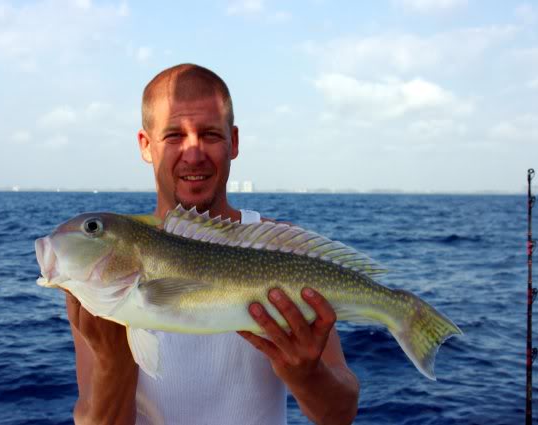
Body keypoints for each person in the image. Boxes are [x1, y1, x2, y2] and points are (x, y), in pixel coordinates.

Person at [65, 64, 359, 425]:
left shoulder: (282, 251)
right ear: (145, 145)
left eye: (210, 134)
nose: (193, 154)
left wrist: (307, 375)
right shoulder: (104, 266)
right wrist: (114, 363)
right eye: (174, 135)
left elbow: (340, 415)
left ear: (233, 142)